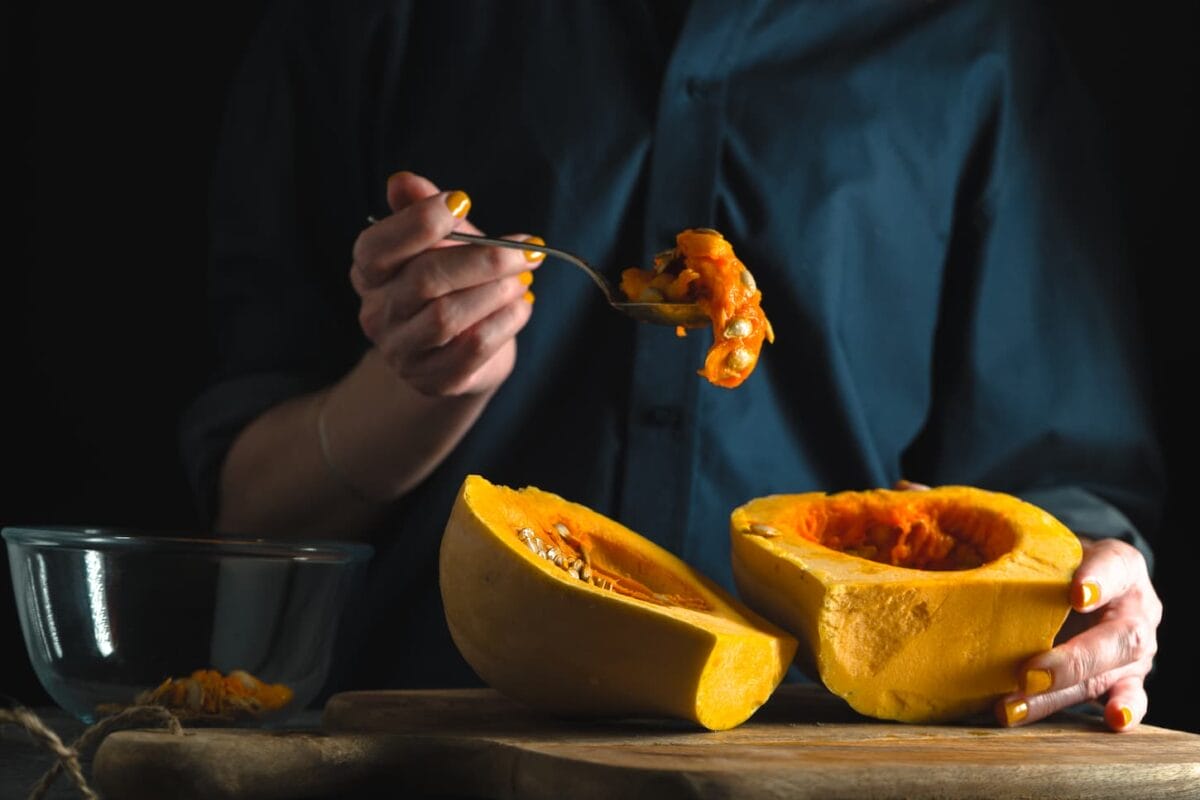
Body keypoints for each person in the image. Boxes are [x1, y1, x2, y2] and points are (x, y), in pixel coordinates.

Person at [181, 0, 1164, 732]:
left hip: (824, 765)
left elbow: (1061, 486)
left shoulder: (978, 43)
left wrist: (1094, 596)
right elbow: (252, 516)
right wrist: (411, 388)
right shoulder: (369, 22)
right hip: (427, 759)